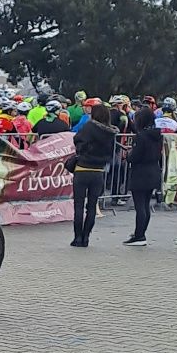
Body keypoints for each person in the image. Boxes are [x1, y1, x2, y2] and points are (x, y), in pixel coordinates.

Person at [68, 103, 117, 249]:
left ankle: (77, 237)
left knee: (78, 205)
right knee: (91, 206)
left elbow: (77, 139)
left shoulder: (89, 127)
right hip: (99, 171)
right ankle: (86, 237)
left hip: (82, 168)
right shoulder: (110, 132)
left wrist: (82, 150)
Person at [123, 101, 164, 245]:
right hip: (153, 170)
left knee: (140, 205)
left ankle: (139, 235)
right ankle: (141, 233)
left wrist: (128, 155)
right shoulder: (158, 136)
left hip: (140, 172)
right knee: (146, 205)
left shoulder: (141, 137)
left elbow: (135, 157)